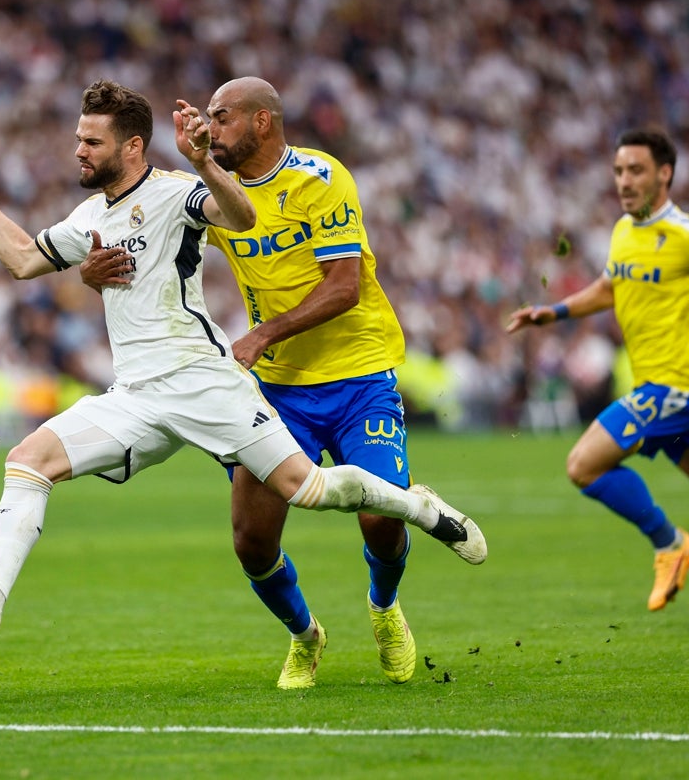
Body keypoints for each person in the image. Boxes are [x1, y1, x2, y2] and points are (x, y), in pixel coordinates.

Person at [0, 80, 486, 678]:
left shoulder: (178, 192)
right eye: (77, 138)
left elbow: (240, 214)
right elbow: (24, 258)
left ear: (132, 146)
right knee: (29, 461)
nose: (78, 150)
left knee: (309, 490)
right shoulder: (89, 217)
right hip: (135, 396)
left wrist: (203, 161)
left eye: (90, 140)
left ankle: (419, 510)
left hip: (206, 381)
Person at [82, 77, 433, 688]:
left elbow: (344, 286)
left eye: (220, 119)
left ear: (261, 123)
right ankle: (304, 636)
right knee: (251, 540)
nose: (209, 129)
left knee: (380, 517)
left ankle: (383, 608)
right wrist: (95, 271)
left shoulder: (321, 179)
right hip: (276, 390)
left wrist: (263, 334)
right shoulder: (218, 195)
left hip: (358, 377)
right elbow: (146, 243)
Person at [507, 127, 689, 612]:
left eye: (635, 170)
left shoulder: (688, 237)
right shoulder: (623, 230)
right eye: (618, 171)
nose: (624, 180)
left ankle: (670, 543)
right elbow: (611, 286)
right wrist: (555, 312)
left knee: (583, 464)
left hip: (671, 389)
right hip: (682, 394)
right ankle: (672, 544)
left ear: (665, 174)